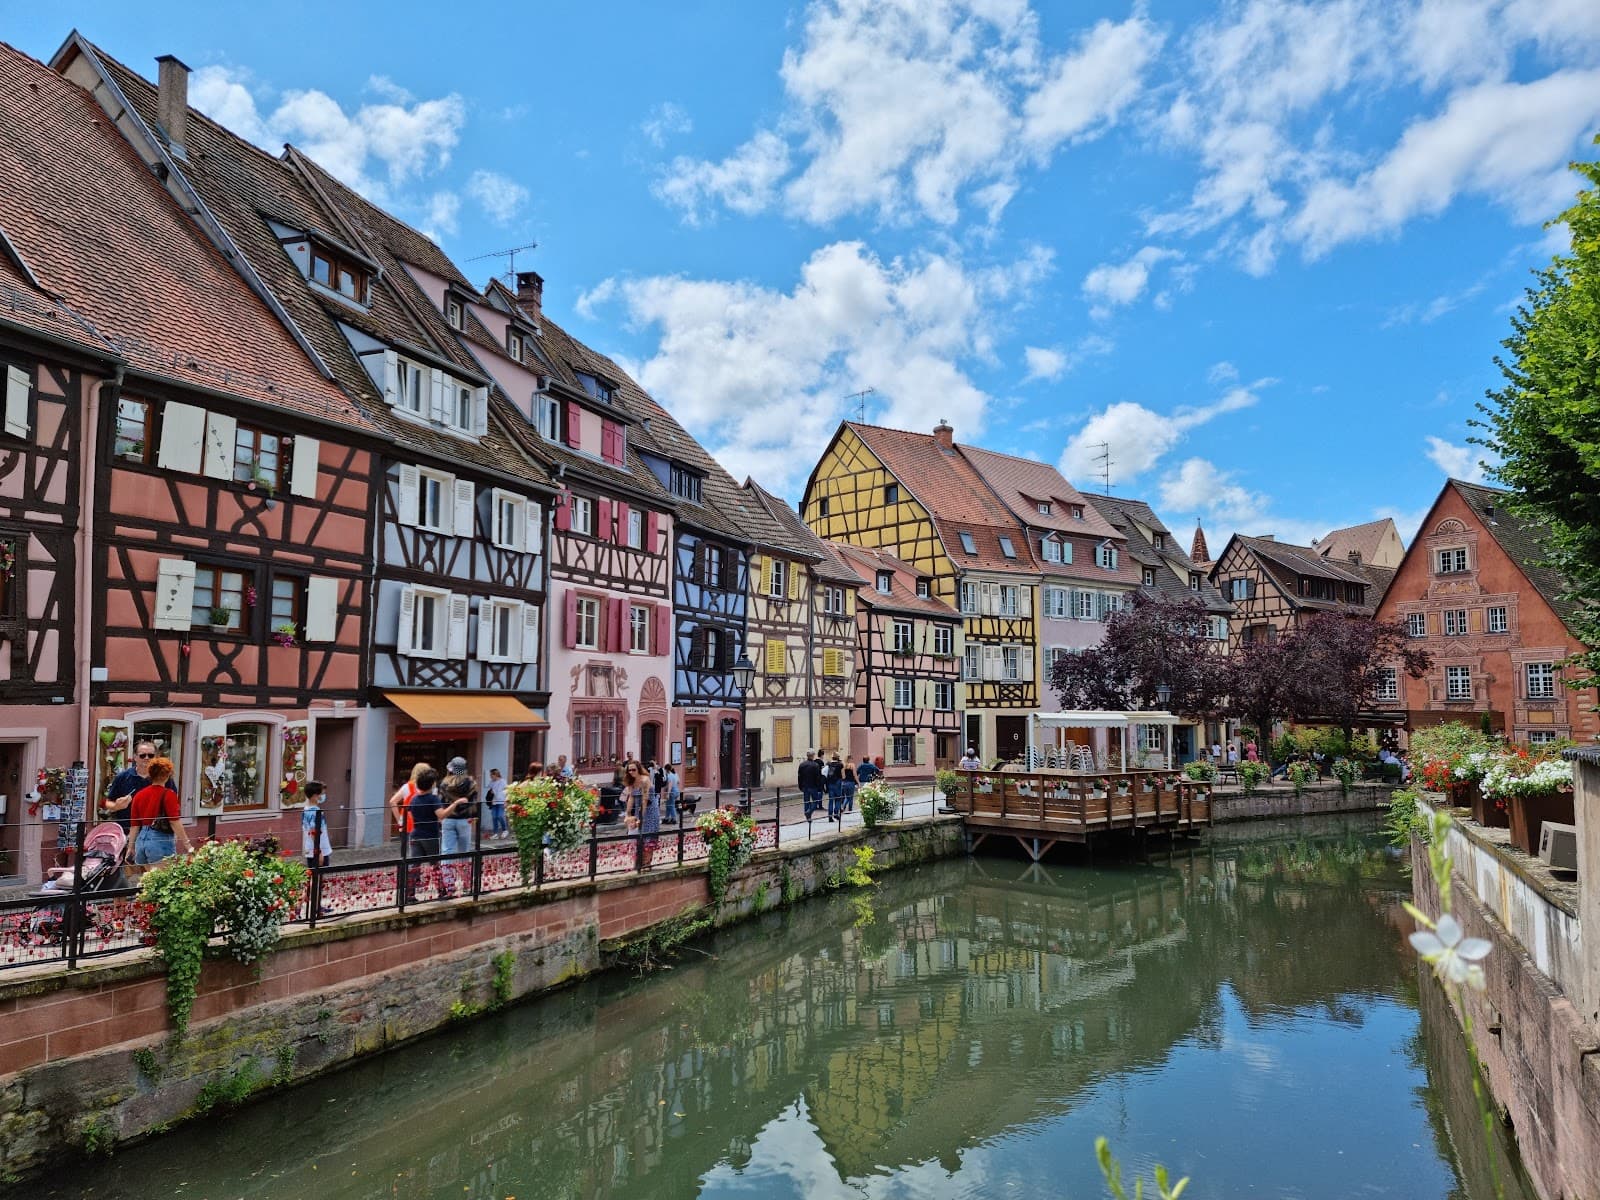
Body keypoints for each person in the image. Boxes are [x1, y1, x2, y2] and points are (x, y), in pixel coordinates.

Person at [127, 757, 192, 866]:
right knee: (163, 880)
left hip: (141, 840)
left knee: (146, 880)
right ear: (168, 775)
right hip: (160, 841)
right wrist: (188, 845)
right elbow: (174, 821)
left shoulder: (139, 795)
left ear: (150, 775)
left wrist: (130, 847)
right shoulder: (169, 794)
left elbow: (134, 825)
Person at [104, 740, 175, 834]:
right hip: (128, 830)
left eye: (150, 755)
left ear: (156, 757)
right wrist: (117, 806)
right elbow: (108, 803)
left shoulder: (164, 777)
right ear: (135, 757)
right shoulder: (123, 777)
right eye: (142, 755)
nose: (146, 758)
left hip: (157, 832)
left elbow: (173, 804)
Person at [438, 756, 479, 898]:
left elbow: (441, 802)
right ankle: (467, 884)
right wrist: (470, 814)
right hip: (464, 821)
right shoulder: (471, 783)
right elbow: (473, 802)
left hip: (448, 819)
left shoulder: (444, 784)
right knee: (464, 851)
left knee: (447, 851)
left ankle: (449, 884)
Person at [405, 767, 444, 903]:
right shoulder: (433, 799)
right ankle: (442, 891)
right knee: (435, 863)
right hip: (430, 835)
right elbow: (441, 815)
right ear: (432, 784)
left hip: (415, 834)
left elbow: (409, 814)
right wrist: (454, 804)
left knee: (415, 865)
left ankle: (409, 894)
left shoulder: (414, 799)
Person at [622, 761, 659, 867]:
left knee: (648, 836)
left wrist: (641, 818)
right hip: (640, 810)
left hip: (650, 810)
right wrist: (627, 814)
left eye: (634, 769)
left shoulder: (645, 780)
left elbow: (645, 799)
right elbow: (631, 798)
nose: (631, 772)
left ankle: (646, 863)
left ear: (639, 769)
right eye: (629, 770)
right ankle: (638, 863)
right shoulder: (632, 782)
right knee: (638, 836)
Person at [389, 762, 431, 842]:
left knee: (409, 850)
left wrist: (399, 820)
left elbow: (392, 801)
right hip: (425, 824)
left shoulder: (407, 786)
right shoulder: (429, 787)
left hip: (408, 824)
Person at [301, 780, 333, 870]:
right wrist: (319, 853)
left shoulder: (306, 809)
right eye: (322, 794)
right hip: (318, 851)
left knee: (314, 876)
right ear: (315, 796)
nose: (323, 796)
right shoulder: (315, 812)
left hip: (311, 849)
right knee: (318, 877)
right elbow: (313, 832)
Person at [484, 767, 509, 841]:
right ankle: (495, 834)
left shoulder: (503, 781)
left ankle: (505, 830)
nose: (491, 777)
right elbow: (490, 789)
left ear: (496, 774)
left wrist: (506, 801)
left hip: (501, 802)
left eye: (492, 775)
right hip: (494, 802)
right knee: (494, 817)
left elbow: (507, 791)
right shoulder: (492, 782)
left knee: (500, 816)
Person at [797, 750, 824, 817]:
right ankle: (809, 811)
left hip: (805, 786)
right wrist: (819, 787)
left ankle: (807, 815)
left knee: (806, 801)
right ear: (813, 756)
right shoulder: (815, 765)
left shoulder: (802, 765)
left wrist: (800, 786)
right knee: (816, 801)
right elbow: (818, 777)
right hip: (813, 786)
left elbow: (799, 776)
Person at [826, 753, 846, 821]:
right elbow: (843, 776)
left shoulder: (828, 764)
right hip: (837, 783)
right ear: (838, 758)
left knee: (830, 800)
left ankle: (829, 816)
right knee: (838, 799)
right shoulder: (840, 765)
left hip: (830, 783)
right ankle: (836, 813)